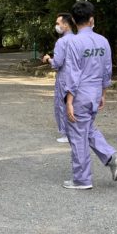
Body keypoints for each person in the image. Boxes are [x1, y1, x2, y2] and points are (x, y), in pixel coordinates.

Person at [62, 0, 117, 189]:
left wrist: (69, 101)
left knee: (78, 135)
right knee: (87, 128)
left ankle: (82, 179)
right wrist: (103, 93)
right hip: (95, 91)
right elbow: (107, 69)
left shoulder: (74, 42)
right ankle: (110, 156)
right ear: (91, 19)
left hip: (80, 93)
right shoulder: (103, 41)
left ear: (73, 20)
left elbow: (73, 73)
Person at [42, 13, 75, 143]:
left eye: (57, 23)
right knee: (75, 104)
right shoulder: (78, 39)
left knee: (61, 105)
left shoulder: (61, 42)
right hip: (77, 77)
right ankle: (76, 131)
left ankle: (65, 134)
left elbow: (57, 63)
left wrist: (48, 59)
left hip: (64, 77)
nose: (56, 26)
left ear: (65, 25)